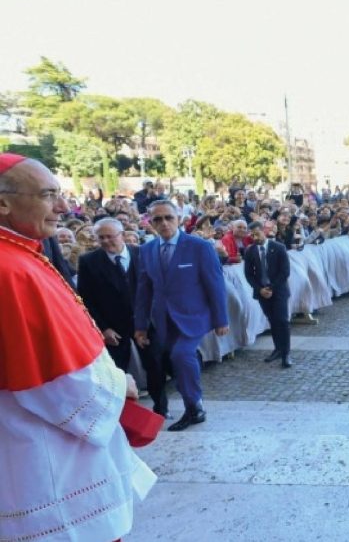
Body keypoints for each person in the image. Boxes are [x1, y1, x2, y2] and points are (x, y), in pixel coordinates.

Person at [0, 153, 156, 541]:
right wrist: (119, 385)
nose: (63, 207)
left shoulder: (21, 253)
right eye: (47, 195)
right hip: (43, 453)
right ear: (3, 202)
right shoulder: (10, 269)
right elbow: (47, 378)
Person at [134, 199, 229, 431]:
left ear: (179, 219)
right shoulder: (146, 250)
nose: (164, 223)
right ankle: (194, 402)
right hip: (164, 319)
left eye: (169, 217)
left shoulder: (199, 247)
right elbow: (144, 291)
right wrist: (141, 326)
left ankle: (194, 408)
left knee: (181, 355)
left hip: (195, 315)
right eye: (158, 219)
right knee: (178, 361)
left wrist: (221, 319)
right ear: (150, 223)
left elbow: (215, 284)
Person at [77, 218, 144, 374]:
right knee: (117, 371)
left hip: (145, 324)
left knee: (156, 367)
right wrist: (103, 328)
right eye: (101, 237)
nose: (106, 241)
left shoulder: (142, 253)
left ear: (122, 235)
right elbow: (86, 299)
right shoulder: (88, 261)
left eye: (110, 236)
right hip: (113, 328)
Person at [244, 221, 293, 368]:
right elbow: (249, 274)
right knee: (272, 320)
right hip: (262, 292)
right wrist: (260, 289)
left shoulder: (278, 247)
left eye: (257, 234)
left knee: (282, 321)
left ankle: (286, 353)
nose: (255, 238)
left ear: (264, 231)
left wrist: (271, 288)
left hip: (278, 290)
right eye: (252, 235)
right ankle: (278, 348)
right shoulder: (250, 251)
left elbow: (285, 271)